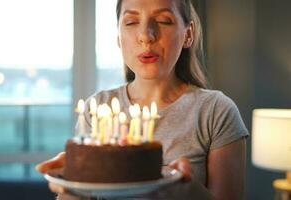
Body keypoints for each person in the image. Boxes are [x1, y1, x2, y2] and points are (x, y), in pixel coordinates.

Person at [36, 0, 248, 199]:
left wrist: (186, 189)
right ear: (118, 37)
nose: (146, 36)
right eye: (131, 22)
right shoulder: (98, 108)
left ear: (188, 34)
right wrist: (71, 184)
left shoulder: (216, 111)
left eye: (164, 20)